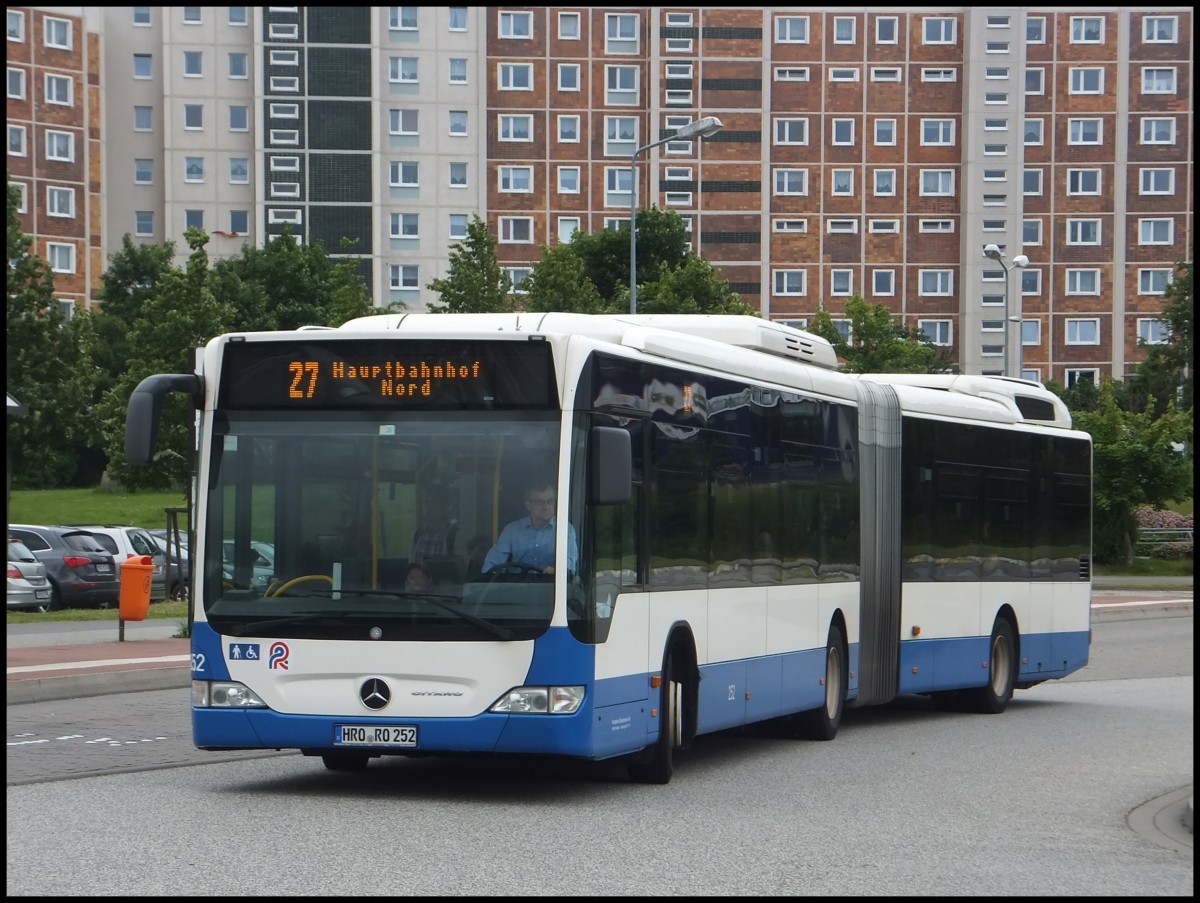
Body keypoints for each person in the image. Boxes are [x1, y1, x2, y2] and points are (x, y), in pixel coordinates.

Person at [483, 480, 578, 575]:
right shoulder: (512, 530)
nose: (546, 506)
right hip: (515, 587)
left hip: (552, 587)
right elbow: (491, 567)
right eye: (540, 502)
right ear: (528, 505)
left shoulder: (565, 530)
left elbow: (569, 567)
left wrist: (556, 570)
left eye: (550, 501)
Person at [410, 483, 458, 562]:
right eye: (425, 502)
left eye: (434, 503)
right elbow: (411, 567)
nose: (428, 508)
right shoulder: (417, 535)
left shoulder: (453, 535)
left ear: (445, 506)